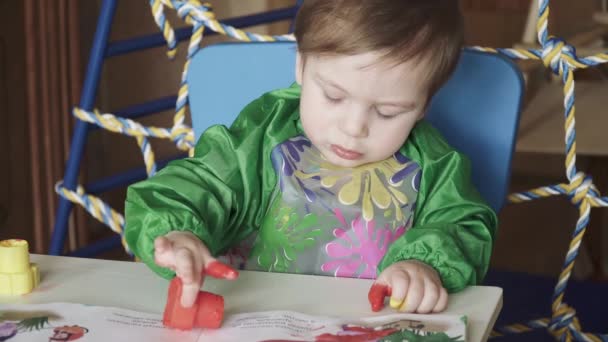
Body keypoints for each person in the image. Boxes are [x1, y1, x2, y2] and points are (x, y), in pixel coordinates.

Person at [124, 0, 497, 315]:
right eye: (334, 96)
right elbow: (199, 183)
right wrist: (177, 232)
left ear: (424, 105)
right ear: (301, 66)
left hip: (370, 325)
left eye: (388, 112)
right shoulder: (263, 139)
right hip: (250, 315)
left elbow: (463, 225)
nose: (354, 128)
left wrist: (423, 265)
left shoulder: (433, 165)